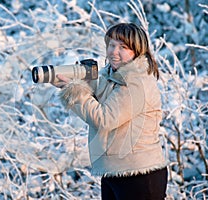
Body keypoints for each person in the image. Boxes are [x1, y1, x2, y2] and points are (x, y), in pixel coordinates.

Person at [53, 22, 168, 200]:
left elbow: (104, 119)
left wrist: (74, 91)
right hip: (115, 171)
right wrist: (78, 84)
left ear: (137, 51)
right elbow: (95, 108)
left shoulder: (135, 81)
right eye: (111, 45)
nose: (114, 51)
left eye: (123, 47)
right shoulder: (113, 75)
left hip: (138, 175)